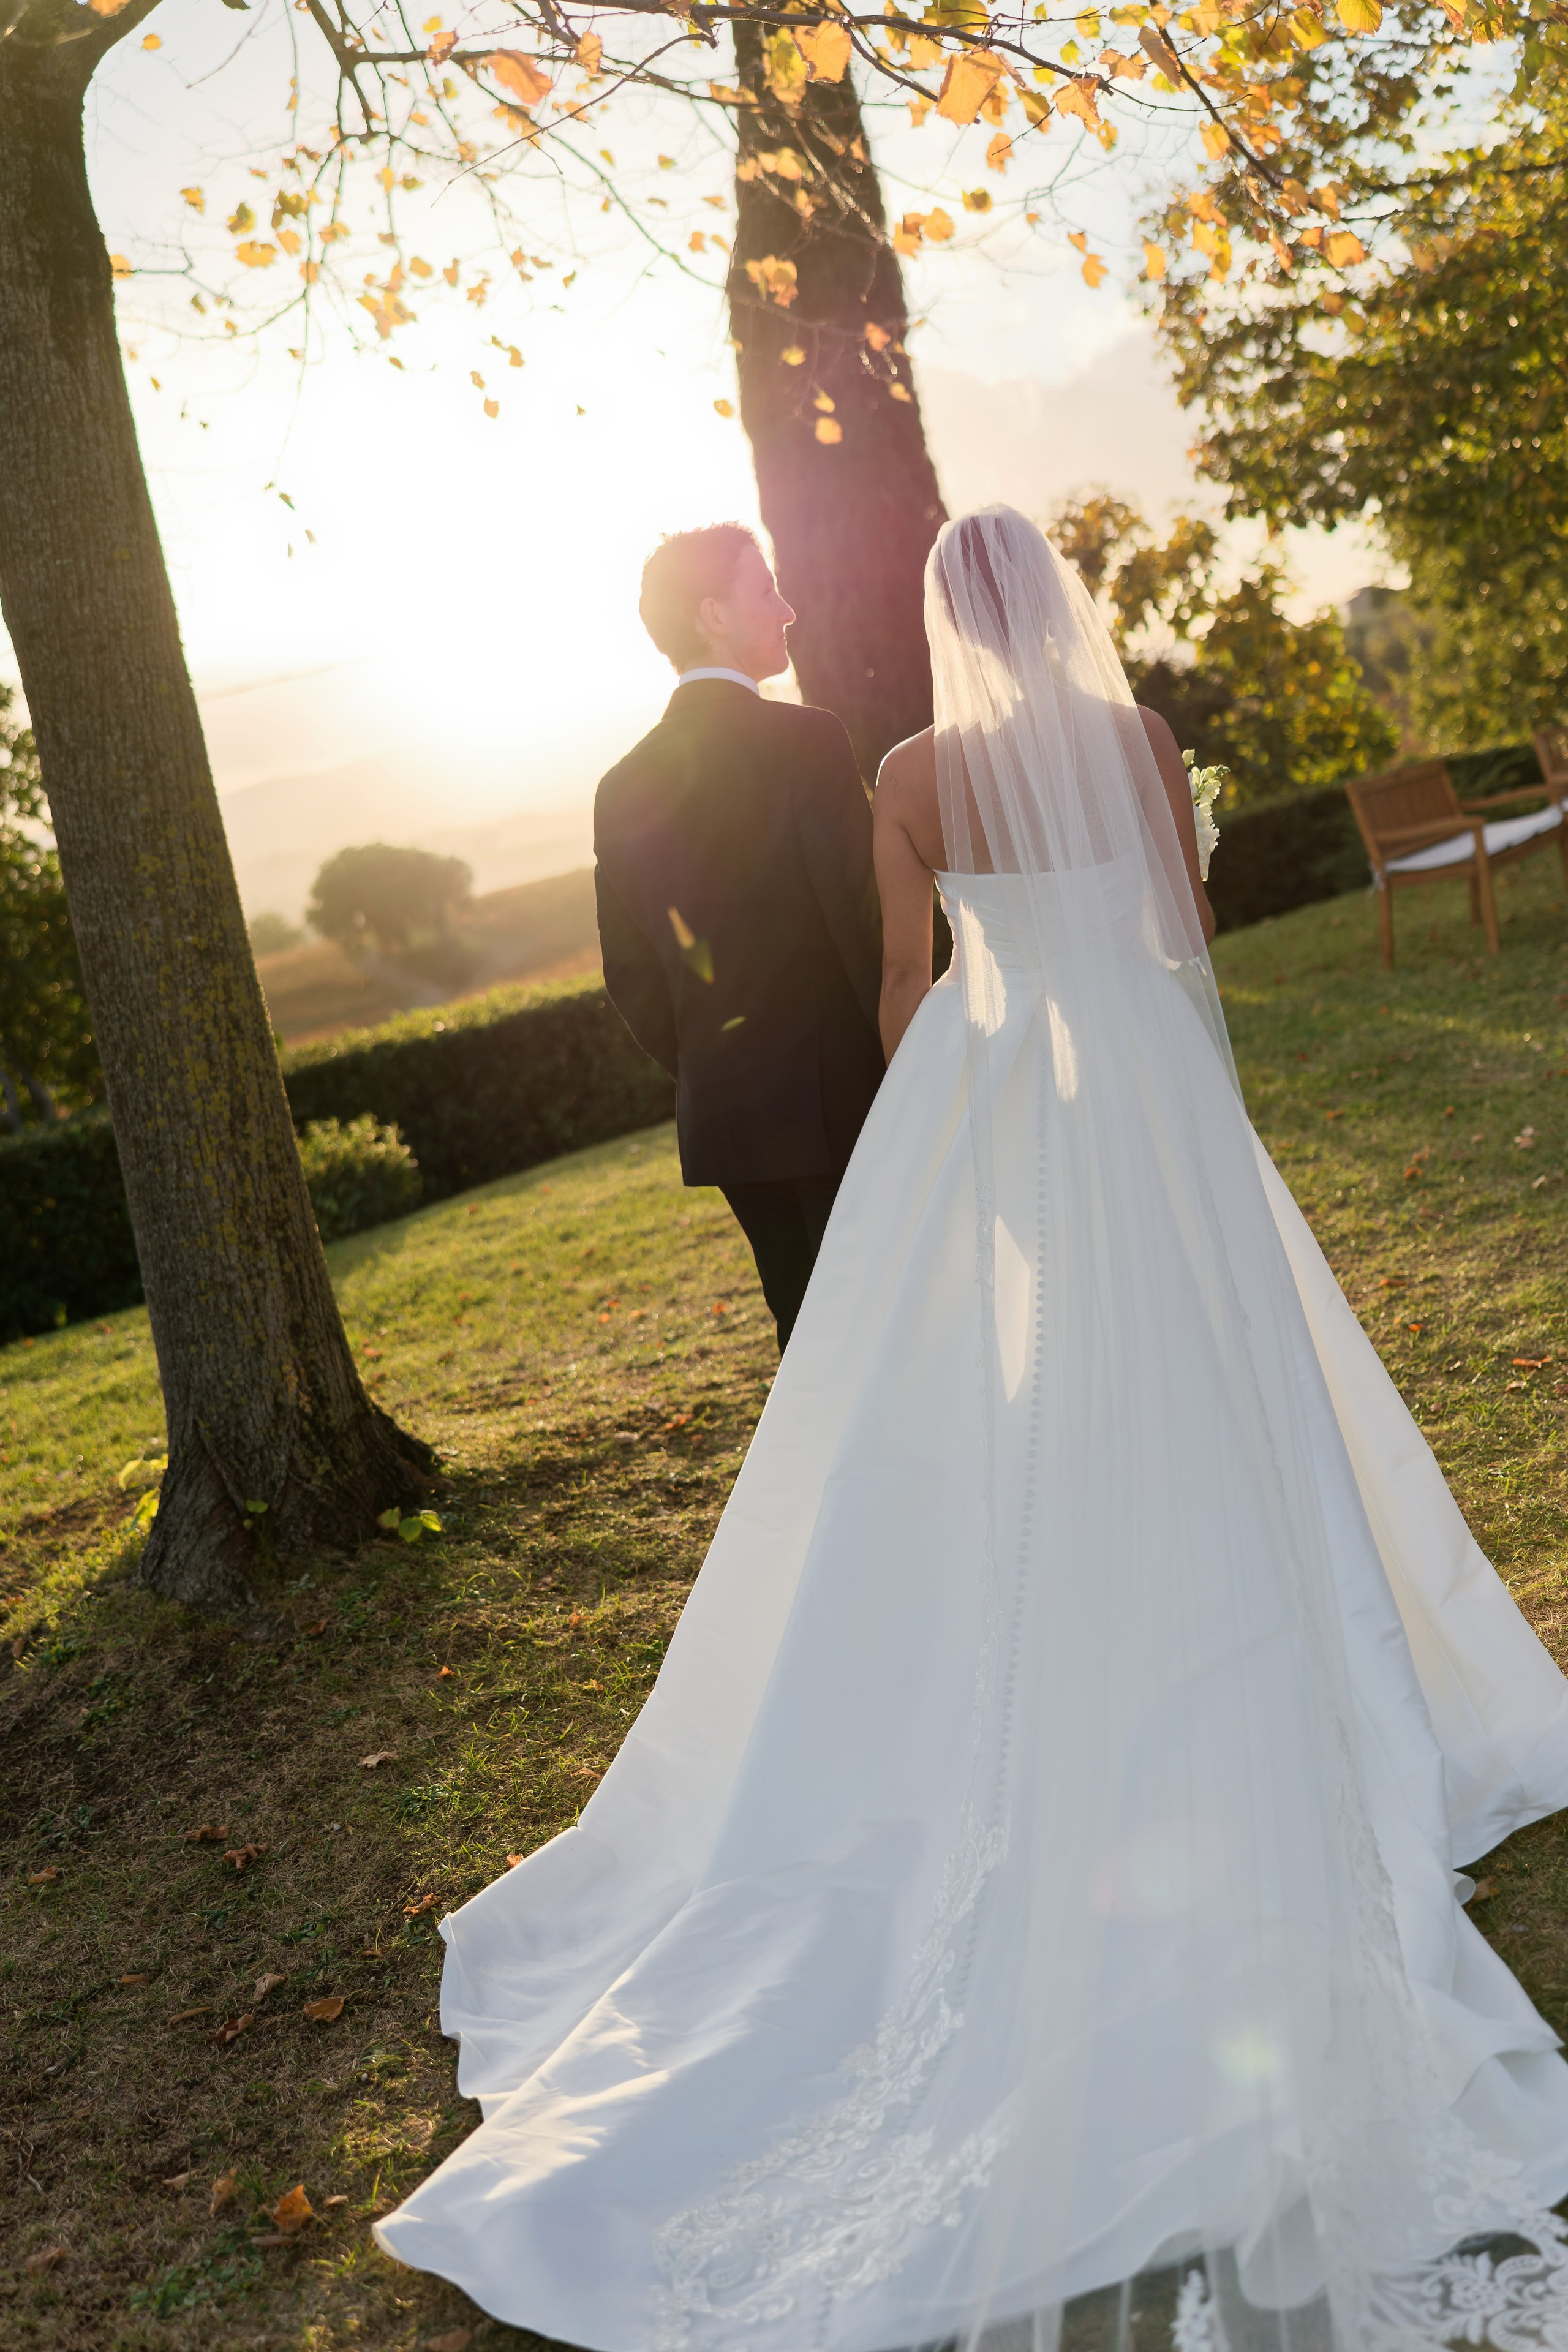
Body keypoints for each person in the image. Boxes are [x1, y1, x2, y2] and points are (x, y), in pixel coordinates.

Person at [377, 509, 1568, 2352]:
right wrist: (1163, 1074)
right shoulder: (1147, 746)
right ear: (1065, 616)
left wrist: (954, 1112)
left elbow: (905, 988)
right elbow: (1180, 941)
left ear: (943, 627)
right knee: (1234, 1370)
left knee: (1032, 1380)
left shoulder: (910, 776)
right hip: (1155, 1100)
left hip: (1014, 1100)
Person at [592, 522, 884, 1352]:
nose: (788, 610)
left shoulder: (618, 787)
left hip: (729, 1117)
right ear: (712, 615)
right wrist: (904, 1052)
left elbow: (631, 973)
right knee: (888, 1326)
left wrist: (717, 1065)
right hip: (848, 1097)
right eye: (768, 592)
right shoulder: (808, 741)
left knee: (808, 1337)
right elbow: (862, 922)